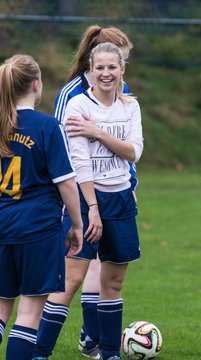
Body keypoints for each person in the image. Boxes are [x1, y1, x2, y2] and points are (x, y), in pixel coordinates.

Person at [33, 42, 143, 360]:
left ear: (122, 69)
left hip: (122, 198)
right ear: (90, 72)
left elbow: (134, 152)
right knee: (71, 279)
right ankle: (40, 352)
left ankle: (109, 353)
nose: (106, 73)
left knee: (114, 279)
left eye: (112, 67)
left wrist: (96, 132)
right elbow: (80, 164)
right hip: (85, 201)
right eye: (100, 68)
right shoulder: (77, 106)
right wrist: (92, 208)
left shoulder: (130, 107)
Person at [0, 54, 83, 360]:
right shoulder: (48, 127)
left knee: (1, 307)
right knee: (30, 310)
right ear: (37, 84)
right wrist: (76, 225)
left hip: (2, 226)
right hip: (38, 227)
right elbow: (66, 183)